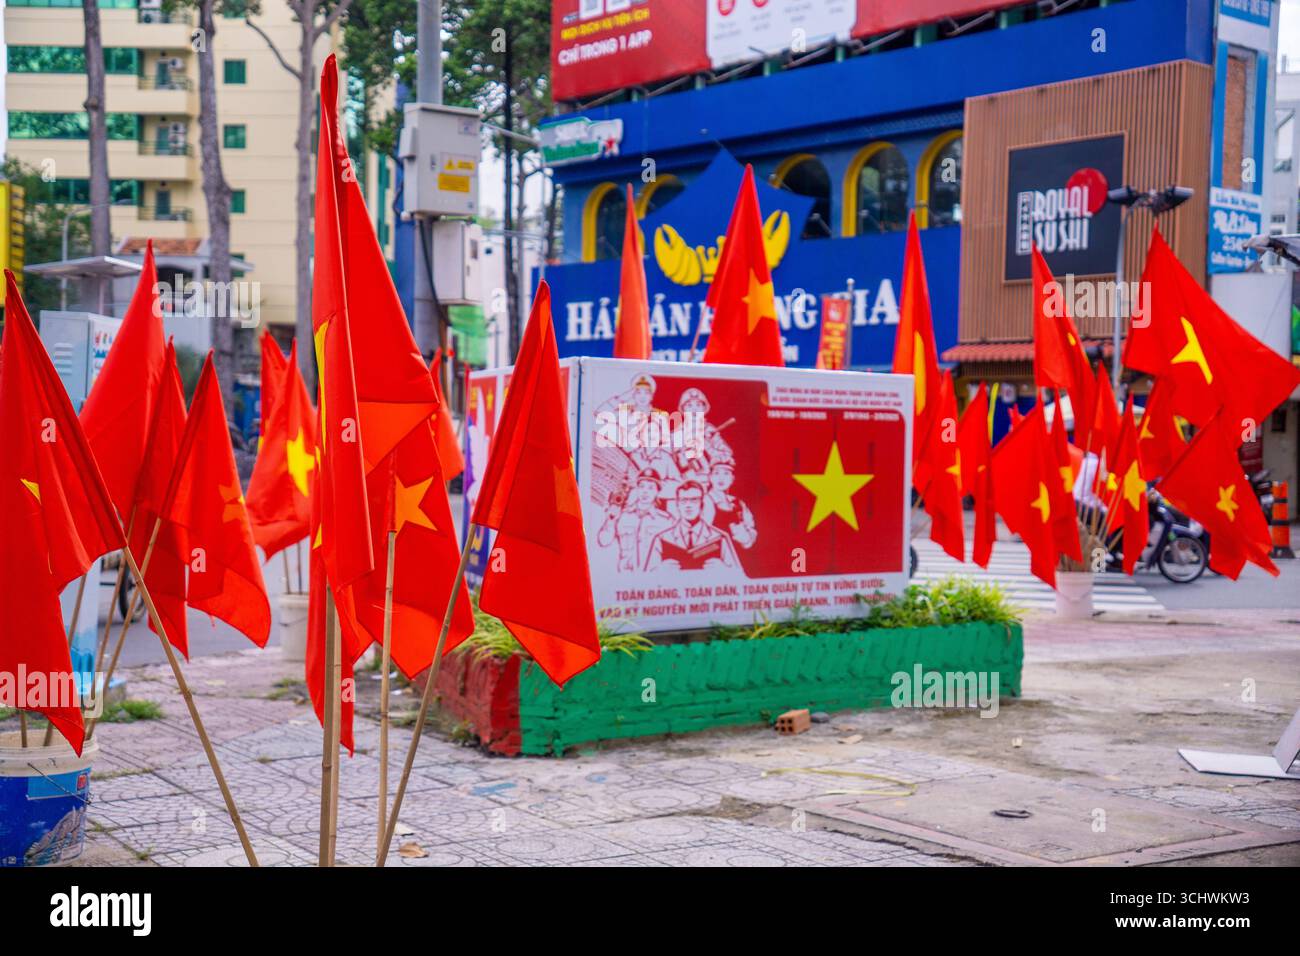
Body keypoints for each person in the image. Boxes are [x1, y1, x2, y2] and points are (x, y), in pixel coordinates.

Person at [645, 481, 739, 571]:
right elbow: (643, 579)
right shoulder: (662, 538)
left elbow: (739, 577)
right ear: (677, 505)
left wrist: (724, 570)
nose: (688, 505)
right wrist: (660, 570)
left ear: (702, 504)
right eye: (683, 501)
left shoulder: (719, 538)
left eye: (694, 500)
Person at [596, 469, 674, 572]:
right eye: (641, 486)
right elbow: (604, 541)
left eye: (651, 488)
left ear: (657, 491)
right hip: (625, 580)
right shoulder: (622, 516)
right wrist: (610, 519)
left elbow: (675, 554)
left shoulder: (666, 520)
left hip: (656, 580)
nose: (645, 491)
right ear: (637, 489)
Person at [702, 459, 757, 549]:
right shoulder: (707, 501)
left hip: (741, 557)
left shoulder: (738, 503)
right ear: (710, 477)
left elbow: (751, 528)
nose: (721, 478)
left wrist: (747, 539)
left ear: (732, 479)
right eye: (716, 473)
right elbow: (702, 537)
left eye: (726, 473)